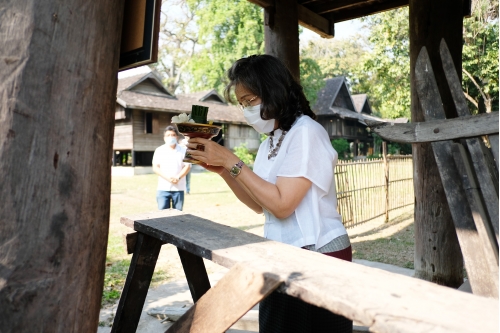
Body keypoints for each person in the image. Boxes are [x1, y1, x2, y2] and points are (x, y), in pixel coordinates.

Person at [186, 55, 352, 333]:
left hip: (320, 256)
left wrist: (230, 160)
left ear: (273, 92)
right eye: (242, 104)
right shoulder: (270, 144)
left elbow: (283, 205)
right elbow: (259, 204)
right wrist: (223, 170)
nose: (246, 109)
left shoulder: (306, 133)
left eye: (250, 100)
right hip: (283, 254)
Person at [152, 126, 191, 211]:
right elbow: (155, 167)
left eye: (173, 135)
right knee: (161, 215)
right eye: (168, 135)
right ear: (164, 138)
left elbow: (187, 166)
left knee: (177, 216)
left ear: (177, 137)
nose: (170, 137)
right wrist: (168, 178)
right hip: (163, 187)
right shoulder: (159, 150)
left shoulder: (184, 150)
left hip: (178, 188)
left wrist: (178, 177)